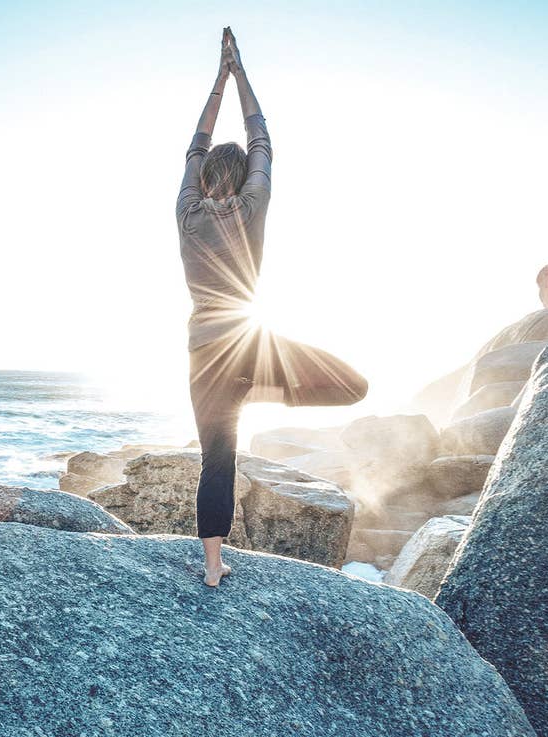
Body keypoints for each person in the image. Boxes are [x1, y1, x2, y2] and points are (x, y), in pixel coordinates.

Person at [178, 28, 368, 587]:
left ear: (205, 177)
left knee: (218, 460)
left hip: (202, 354)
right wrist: (240, 76)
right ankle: (259, 389)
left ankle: (213, 566)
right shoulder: (252, 204)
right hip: (251, 344)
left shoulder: (186, 213)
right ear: (240, 178)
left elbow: (195, 145)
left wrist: (216, 79)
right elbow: (261, 137)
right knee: (354, 385)